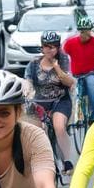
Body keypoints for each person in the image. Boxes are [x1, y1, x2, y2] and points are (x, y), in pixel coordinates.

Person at [23, 31, 75, 174]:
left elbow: (69, 82)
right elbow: (27, 81)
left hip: (60, 100)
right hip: (40, 101)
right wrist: (26, 90)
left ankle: (67, 160)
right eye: (46, 46)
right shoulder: (34, 63)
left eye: (53, 46)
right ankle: (39, 160)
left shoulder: (64, 60)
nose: (50, 49)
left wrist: (56, 67)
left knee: (59, 127)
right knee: (33, 130)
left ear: (58, 48)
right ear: (42, 47)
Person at [62, 15, 94, 125]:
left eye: (87, 32)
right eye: (82, 32)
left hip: (90, 73)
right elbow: (63, 55)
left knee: (93, 92)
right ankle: (73, 119)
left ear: (90, 31)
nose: (84, 35)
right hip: (75, 74)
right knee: (74, 94)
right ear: (79, 31)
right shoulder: (70, 43)